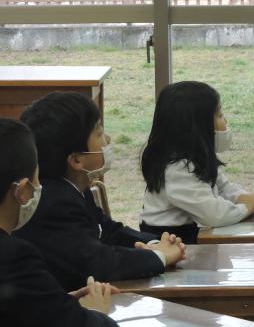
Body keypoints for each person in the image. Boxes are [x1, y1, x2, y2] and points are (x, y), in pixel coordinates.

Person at [14, 92, 185, 292]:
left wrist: (155, 243)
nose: (108, 139)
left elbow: (109, 231)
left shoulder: (74, 187)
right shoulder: (54, 202)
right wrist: (160, 256)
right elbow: (98, 263)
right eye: (99, 133)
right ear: (77, 159)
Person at [0, 118, 120, 326]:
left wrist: (57, 301)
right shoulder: (14, 257)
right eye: (37, 177)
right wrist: (95, 311)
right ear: (23, 191)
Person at [140, 81, 254, 244]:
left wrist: (243, 198)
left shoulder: (195, 158)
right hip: (170, 243)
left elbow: (223, 187)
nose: (225, 120)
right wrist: (245, 208)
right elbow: (213, 215)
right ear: (198, 126)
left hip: (188, 238)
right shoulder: (178, 169)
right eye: (219, 115)